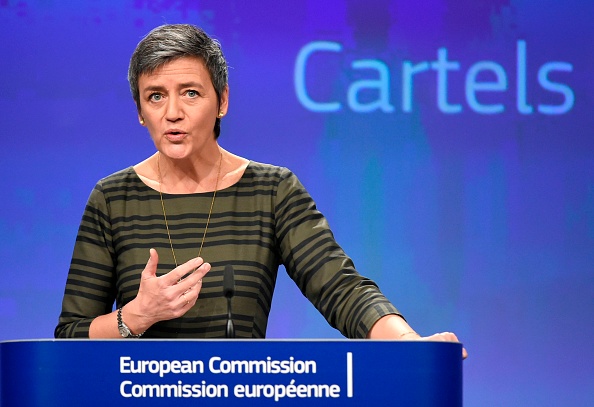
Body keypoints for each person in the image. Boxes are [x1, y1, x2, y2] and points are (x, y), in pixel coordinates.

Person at [54, 24, 466, 357]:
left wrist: (408, 344)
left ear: (222, 101)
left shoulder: (271, 191)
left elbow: (340, 288)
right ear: (141, 112)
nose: (172, 113)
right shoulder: (113, 199)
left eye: (190, 93)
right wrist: (136, 316)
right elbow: (70, 336)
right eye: (155, 97)